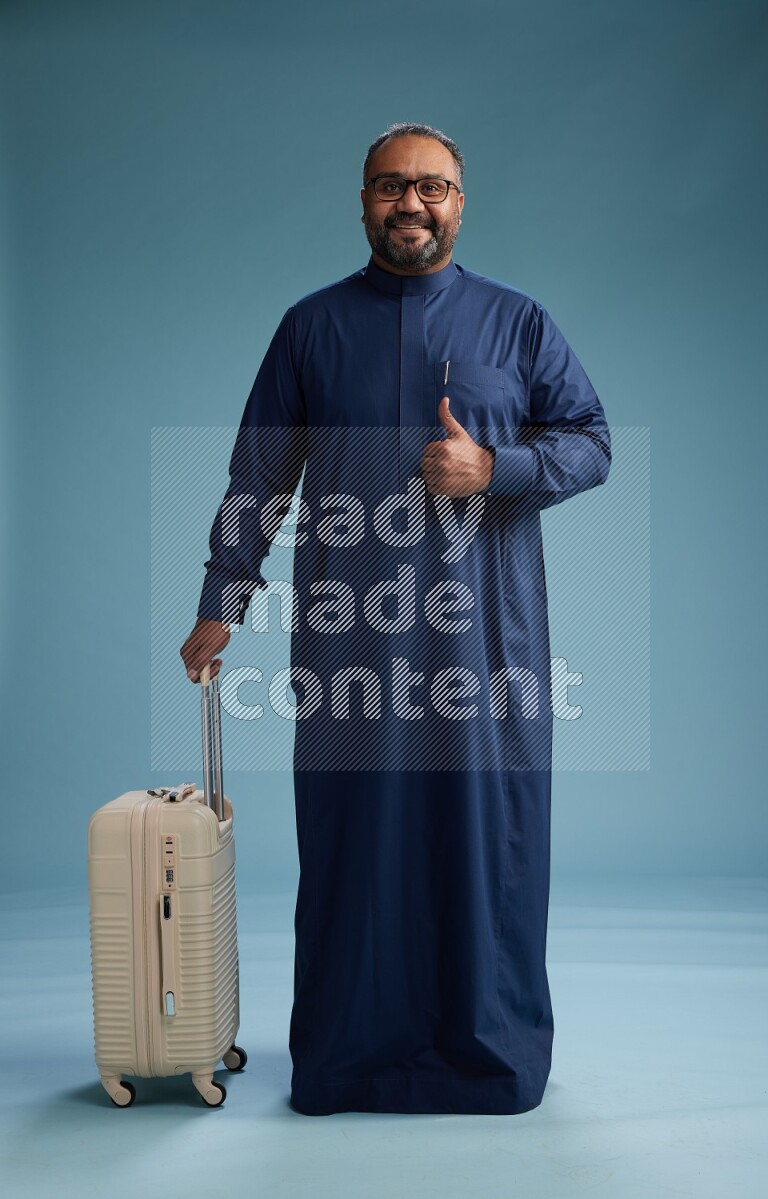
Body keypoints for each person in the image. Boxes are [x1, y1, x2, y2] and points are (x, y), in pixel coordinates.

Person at [180, 121, 611, 1116]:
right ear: (364, 201)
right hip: (353, 639)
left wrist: (497, 467)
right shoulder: (311, 327)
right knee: (355, 841)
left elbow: (590, 441)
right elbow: (259, 473)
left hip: (485, 641)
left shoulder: (516, 323)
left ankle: (489, 1055)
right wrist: (221, 598)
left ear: (459, 203)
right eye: (389, 185)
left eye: (430, 186)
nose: (409, 203)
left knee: (485, 841)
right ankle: (349, 1058)